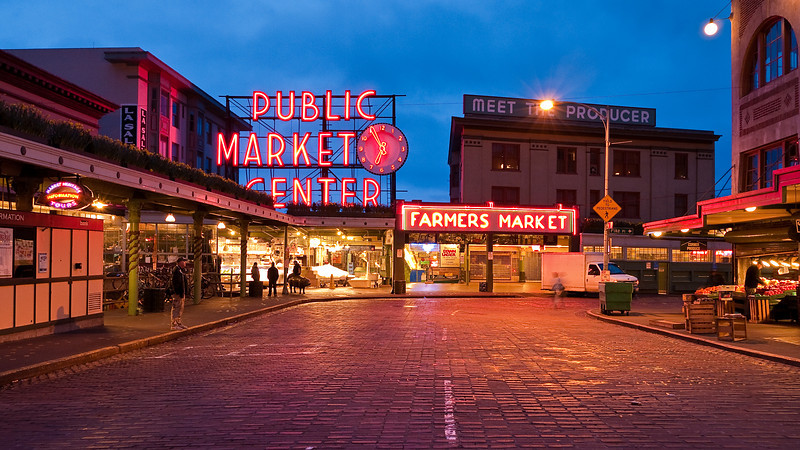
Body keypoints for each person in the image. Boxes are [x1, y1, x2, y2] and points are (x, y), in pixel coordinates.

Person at [170, 257, 189, 330]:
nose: (185, 263)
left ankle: (178, 322)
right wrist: (177, 292)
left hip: (181, 293)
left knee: (180, 308)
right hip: (178, 293)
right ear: (180, 262)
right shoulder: (177, 270)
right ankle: (174, 324)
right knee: (176, 307)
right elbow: (175, 283)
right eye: (184, 261)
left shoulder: (181, 270)